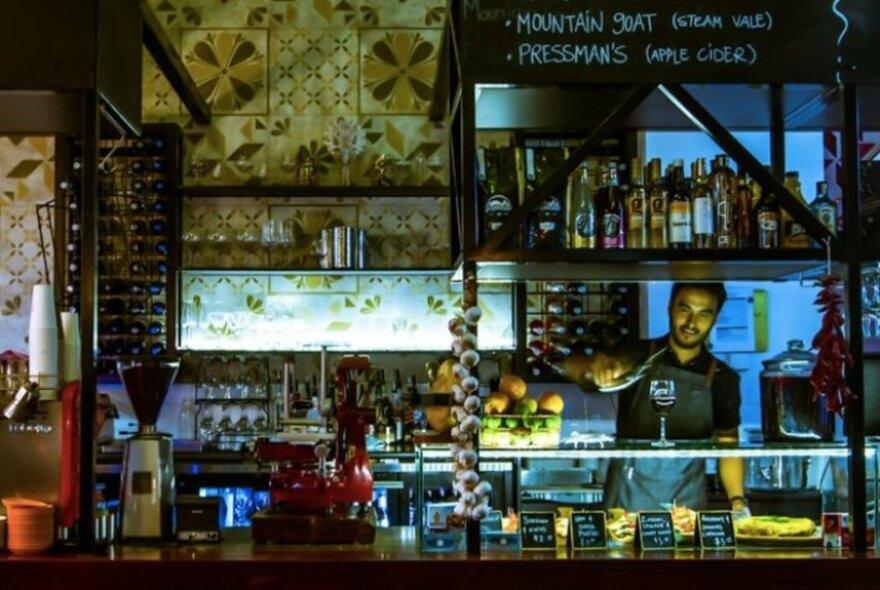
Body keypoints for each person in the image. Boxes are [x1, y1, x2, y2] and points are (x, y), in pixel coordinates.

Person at [565, 282, 746, 513]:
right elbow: (570, 367)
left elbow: (728, 444)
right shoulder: (637, 355)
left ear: (715, 318)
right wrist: (594, 368)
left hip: (687, 504)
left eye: (703, 314)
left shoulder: (723, 377)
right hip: (627, 499)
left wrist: (738, 501)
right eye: (685, 309)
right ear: (670, 308)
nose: (692, 323)